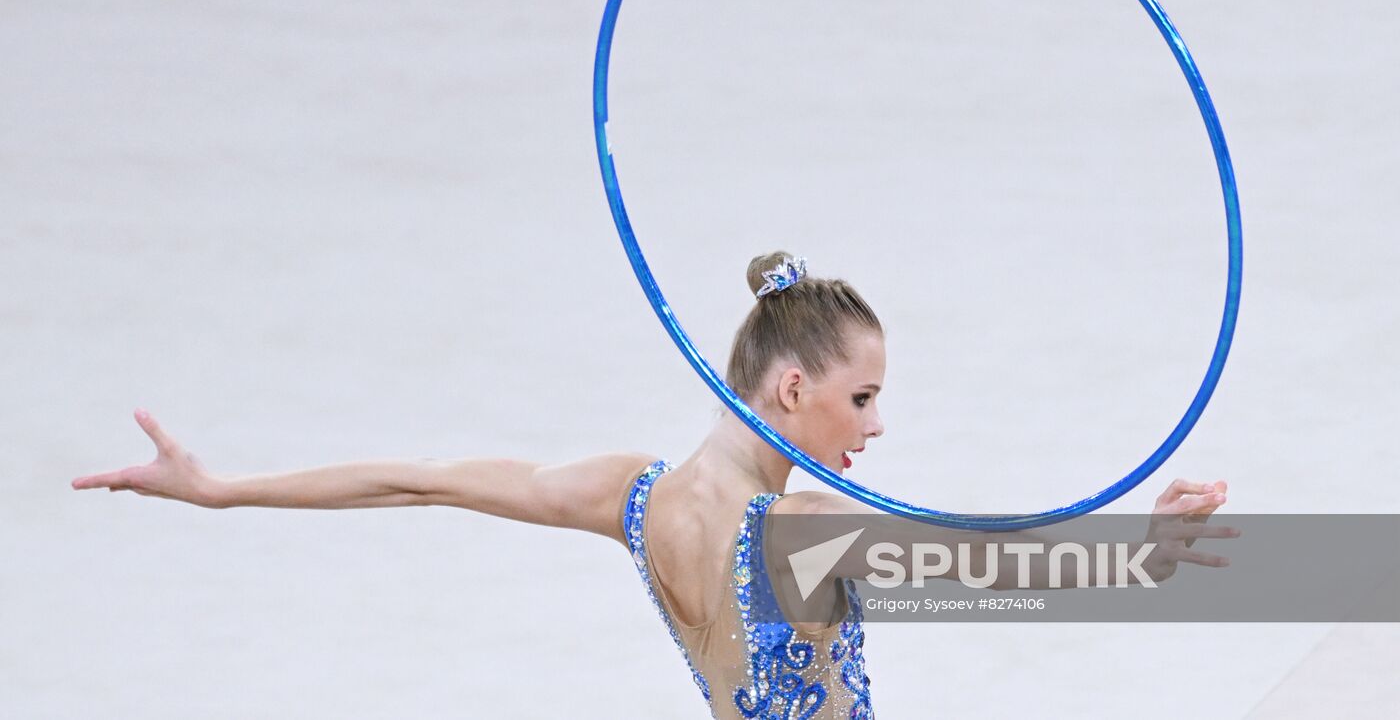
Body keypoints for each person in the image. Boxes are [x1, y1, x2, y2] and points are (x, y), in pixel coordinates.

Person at [71, 250, 1232, 719]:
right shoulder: (806, 522)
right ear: (787, 389)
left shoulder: (633, 498)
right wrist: (1143, 546)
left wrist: (223, 490)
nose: (877, 424)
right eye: (862, 398)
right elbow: (1005, 570)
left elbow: (420, 480)